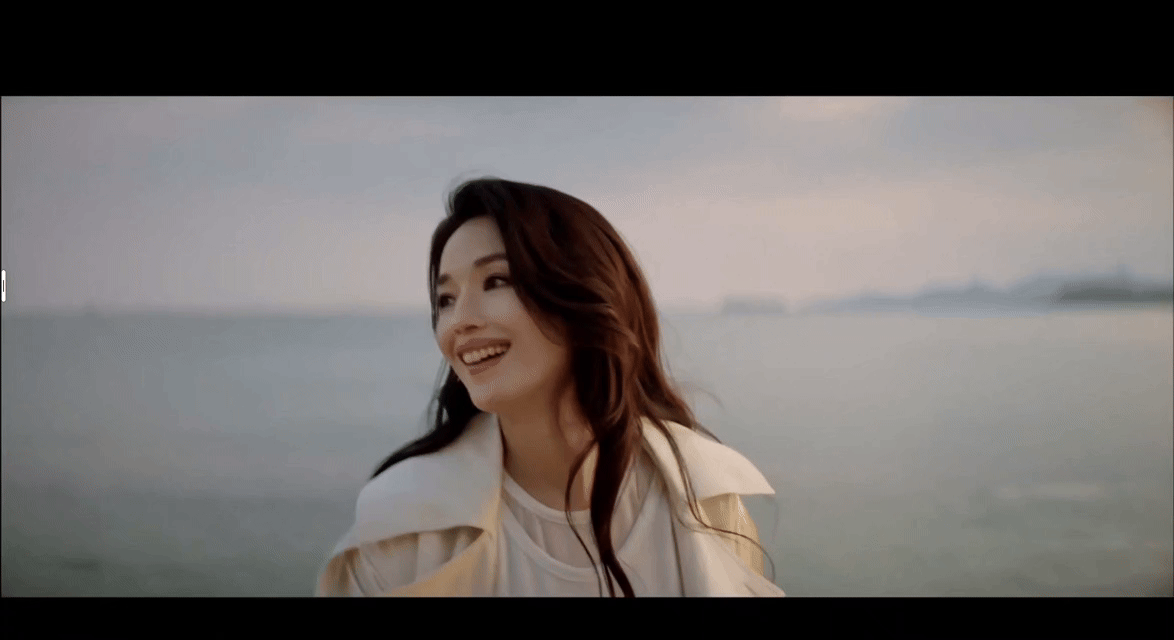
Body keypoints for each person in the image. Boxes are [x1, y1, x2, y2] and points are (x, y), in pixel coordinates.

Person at [315, 178, 784, 597]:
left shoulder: (708, 500)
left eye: (496, 280)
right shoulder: (401, 527)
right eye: (446, 299)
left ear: (584, 294)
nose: (460, 321)